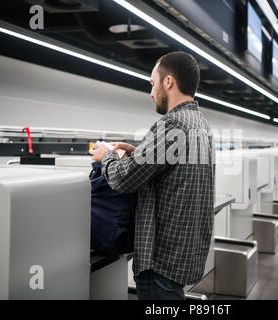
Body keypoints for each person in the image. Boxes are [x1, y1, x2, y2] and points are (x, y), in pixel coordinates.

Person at [89, 51, 214, 300]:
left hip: (162, 259)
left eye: (153, 83)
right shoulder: (200, 122)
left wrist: (107, 156)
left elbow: (123, 180)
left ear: (168, 81)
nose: (151, 92)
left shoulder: (173, 124)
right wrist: (137, 153)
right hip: (183, 251)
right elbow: (174, 166)